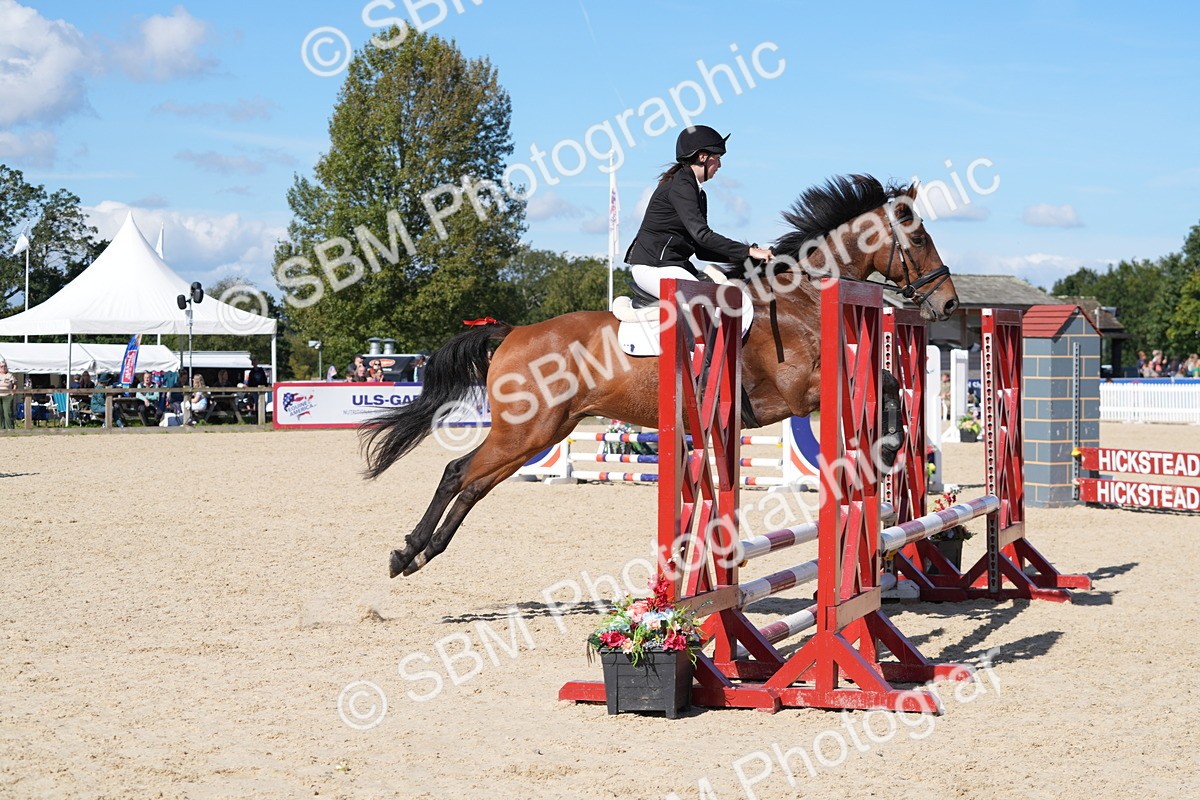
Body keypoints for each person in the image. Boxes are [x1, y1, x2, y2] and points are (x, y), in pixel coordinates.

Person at [624, 125, 773, 330]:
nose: (720, 164)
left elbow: (701, 249)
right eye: (717, 157)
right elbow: (703, 236)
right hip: (654, 267)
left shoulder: (697, 191)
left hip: (672, 267)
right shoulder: (682, 186)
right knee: (708, 306)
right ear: (702, 157)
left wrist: (746, 257)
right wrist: (747, 250)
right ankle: (703, 362)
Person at [0, 359, 16, 430]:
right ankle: (1, 429)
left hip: (7, 396)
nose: (3, 368)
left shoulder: (10, 375)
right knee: (0, 413)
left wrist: (13, 392)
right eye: (1, 366)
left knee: (8, 413)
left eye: (4, 366)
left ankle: (10, 429)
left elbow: (15, 384)